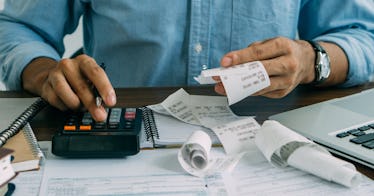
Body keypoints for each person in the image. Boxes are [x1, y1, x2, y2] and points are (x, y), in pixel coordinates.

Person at [0, 1, 373, 122]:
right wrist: (46, 72)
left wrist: (312, 60)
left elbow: (363, 38)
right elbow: (16, 29)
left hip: (264, 145)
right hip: (119, 132)